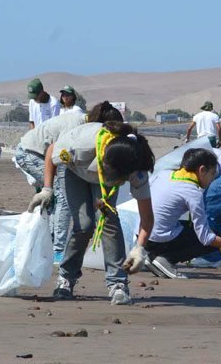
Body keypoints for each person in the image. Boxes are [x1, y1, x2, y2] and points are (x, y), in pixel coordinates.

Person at [28, 121, 155, 305]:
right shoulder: (80, 145)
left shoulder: (137, 170)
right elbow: (51, 152)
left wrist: (139, 249)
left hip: (106, 177)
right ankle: (66, 279)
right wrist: (47, 189)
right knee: (83, 225)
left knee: (108, 220)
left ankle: (118, 284)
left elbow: (147, 217)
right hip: (75, 170)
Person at [17, 102, 123, 264]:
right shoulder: (77, 129)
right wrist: (47, 188)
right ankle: (58, 250)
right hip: (32, 153)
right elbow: (55, 153)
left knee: (55, 201)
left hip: (46, 153)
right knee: (60, 195)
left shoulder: (86, 125)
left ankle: (49, 242)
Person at [126, 148, 221, 279]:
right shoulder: (192, 192)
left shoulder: (164, 173)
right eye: (212, 174)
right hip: (159, 240)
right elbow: (205, 237)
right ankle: (166, 259)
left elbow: (138, 194)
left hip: (142, 234)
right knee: (212, 236)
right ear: (202, 170)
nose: (212, 180)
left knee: (182, 226)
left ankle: (152, 255)